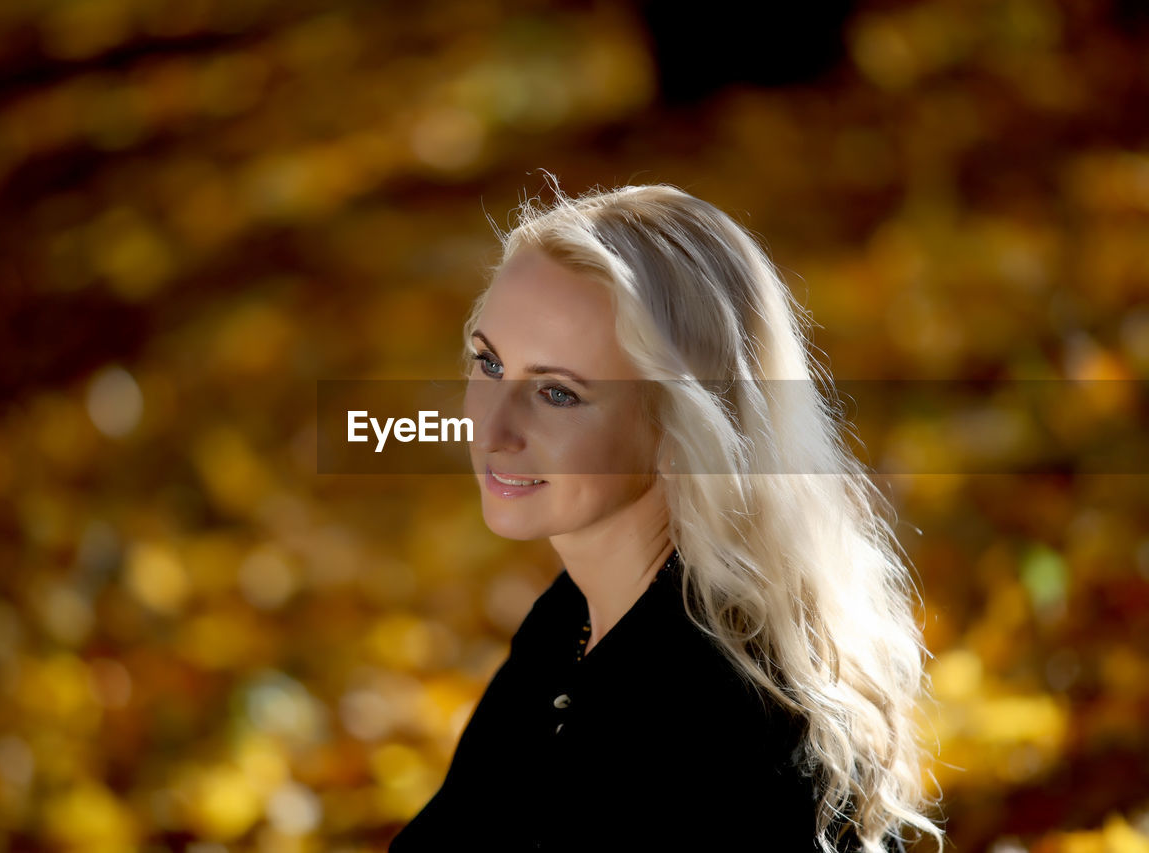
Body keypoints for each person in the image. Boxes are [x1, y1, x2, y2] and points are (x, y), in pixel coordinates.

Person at [387, 175, 945, 852]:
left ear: (684, 428)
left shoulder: (713, 719)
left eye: (558, 393)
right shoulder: (570, 625)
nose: (493, 427)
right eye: (489, 363)